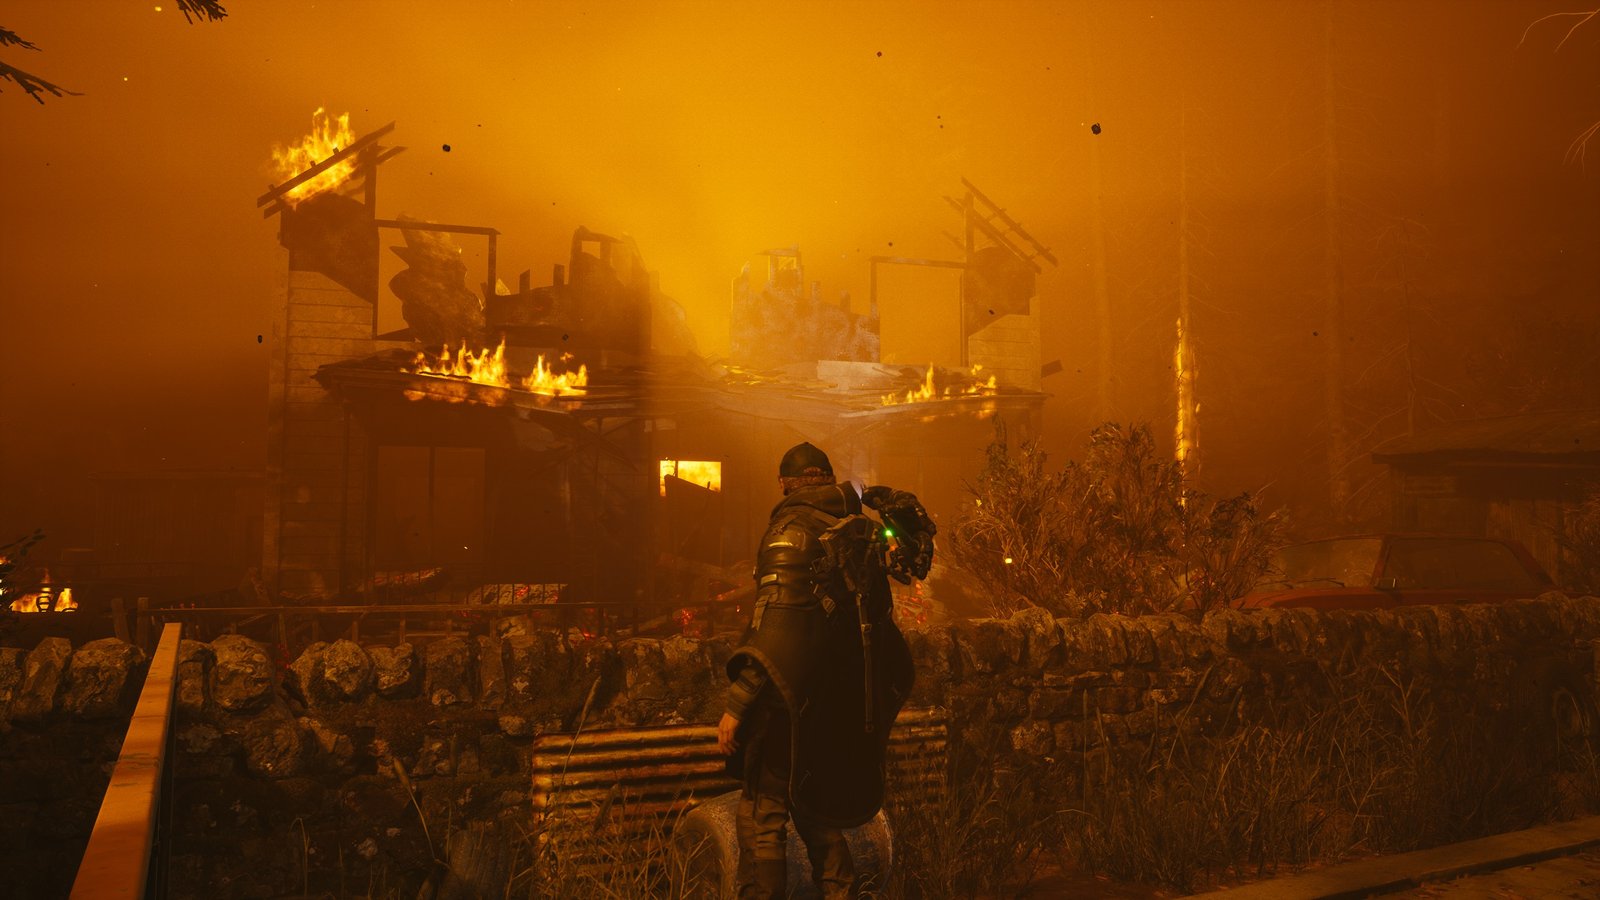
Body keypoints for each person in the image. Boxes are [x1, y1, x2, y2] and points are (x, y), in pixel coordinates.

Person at [717, 442, 917, 900]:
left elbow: (778, 625)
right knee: (813, 807)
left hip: (788, 698)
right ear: (826, 478)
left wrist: (737, 703)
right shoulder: (860, 529)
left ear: (785, 483)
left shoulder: (791, 530)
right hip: (836, 701)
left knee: (764, 813)